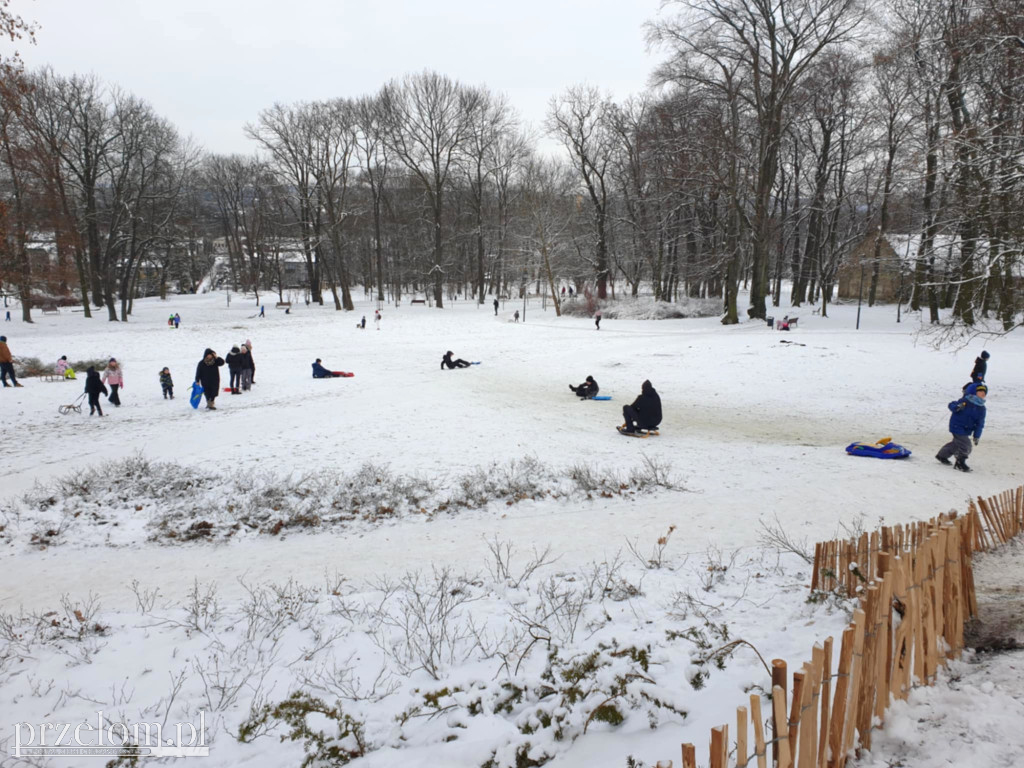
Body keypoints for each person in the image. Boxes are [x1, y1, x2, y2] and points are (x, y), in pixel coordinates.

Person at [936, 382, 987, 472]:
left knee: (956, 444)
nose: (983, 393)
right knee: (966, 445)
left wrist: (977, 436)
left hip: (967, 429)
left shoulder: (981, 408)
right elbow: (951, 405)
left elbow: (980, 423)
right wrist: (957, 407)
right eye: (980, 391)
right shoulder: (965, 401)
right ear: (973, 392)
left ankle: (942, 455)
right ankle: (960, 462)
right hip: (957, 426)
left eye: (984, 392)